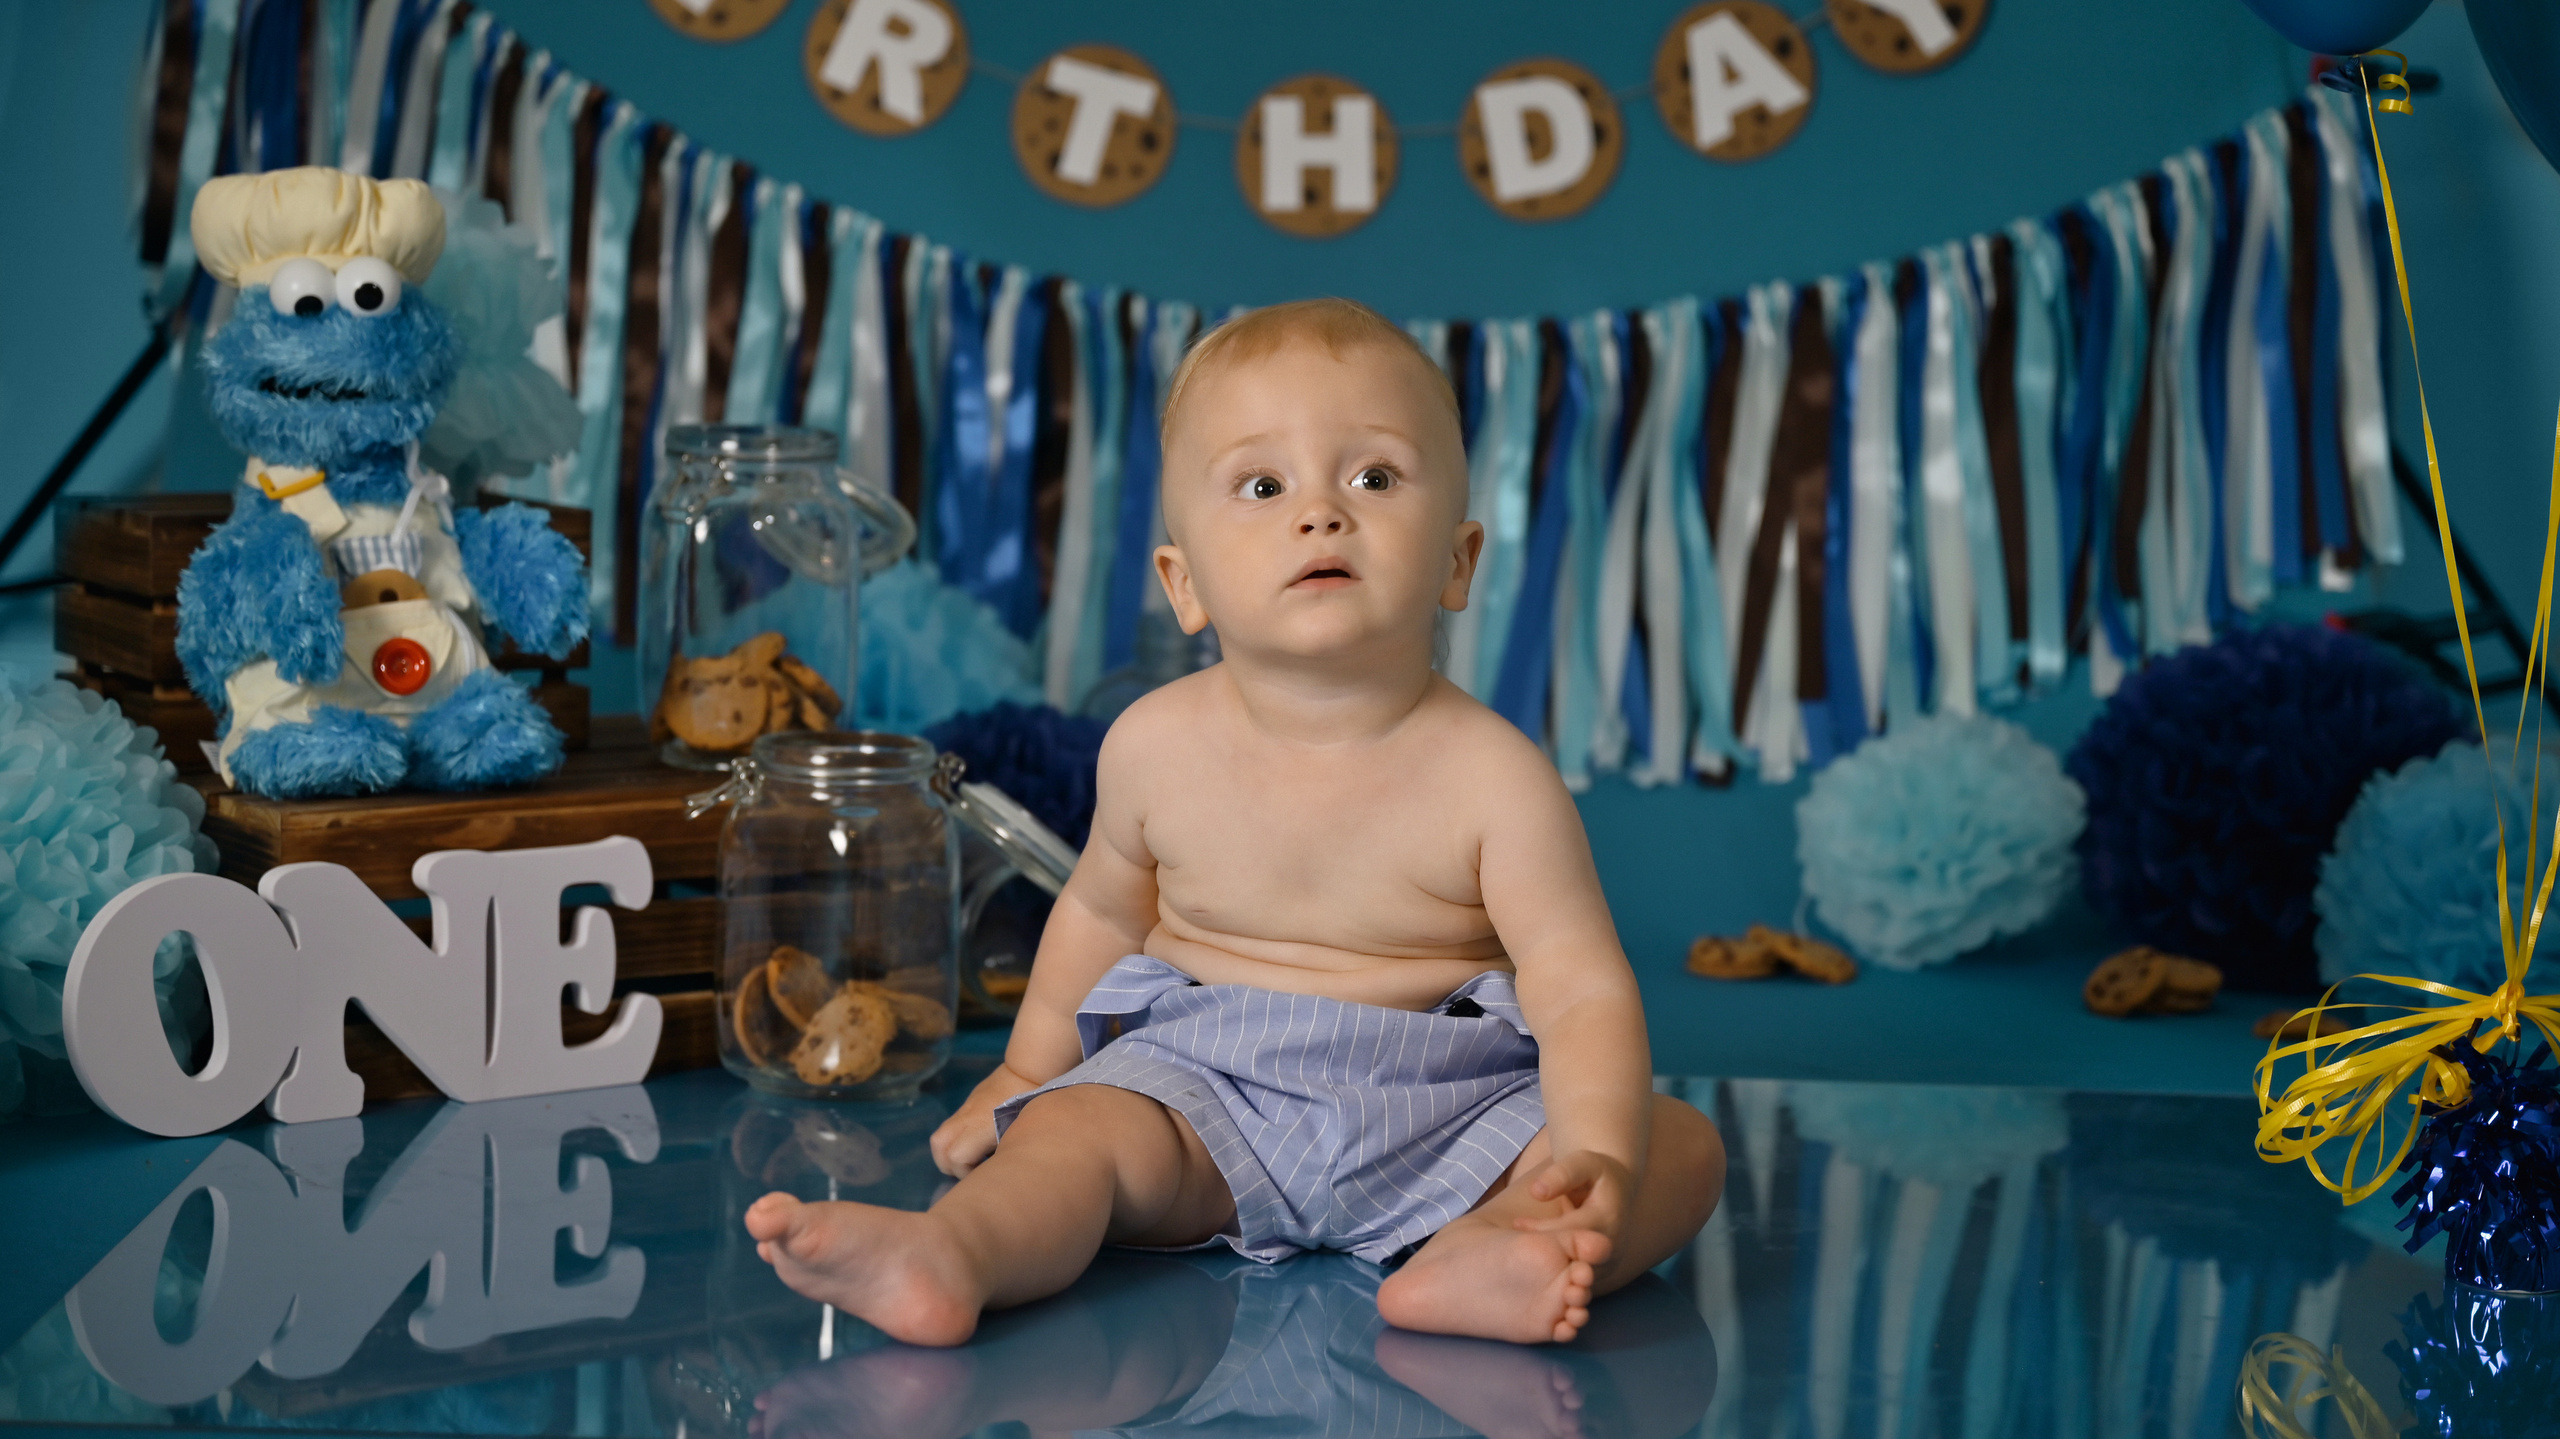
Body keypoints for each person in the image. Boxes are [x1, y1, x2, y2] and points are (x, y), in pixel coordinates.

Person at [746, 298, 1725, 1347]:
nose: (1321, 513)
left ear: (1457, 559)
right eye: (1263, 486)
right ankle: (957, 1253)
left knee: (1674, 1148)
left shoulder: (1497, 776)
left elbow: (1577, 984)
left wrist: (1588, 1154)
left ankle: (1490, 1243)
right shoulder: (1154, 746)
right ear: (1185, 582)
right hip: (1203, 1088)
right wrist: (1030, 1073)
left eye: (1375, 477)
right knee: (1073, 1134)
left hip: (1449, 1104)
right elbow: (1100, 915)